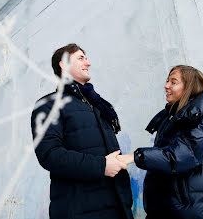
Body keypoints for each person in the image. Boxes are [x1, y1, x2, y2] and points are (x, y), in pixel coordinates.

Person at [31, 43, 134, 219]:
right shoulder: (49, 105)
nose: (88, 63)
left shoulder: (97, 106)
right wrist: (102, 166)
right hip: (80, 211)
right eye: (81, 58)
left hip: (117, 208)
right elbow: (49, 154)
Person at [119, 65, 203, 219]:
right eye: (167, 81)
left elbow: (179, 157)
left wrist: (134, 157)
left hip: (193, 212)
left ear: (189, 88)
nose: (166, 86)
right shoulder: (171, 118)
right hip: (168, 209)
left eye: (173, 82)